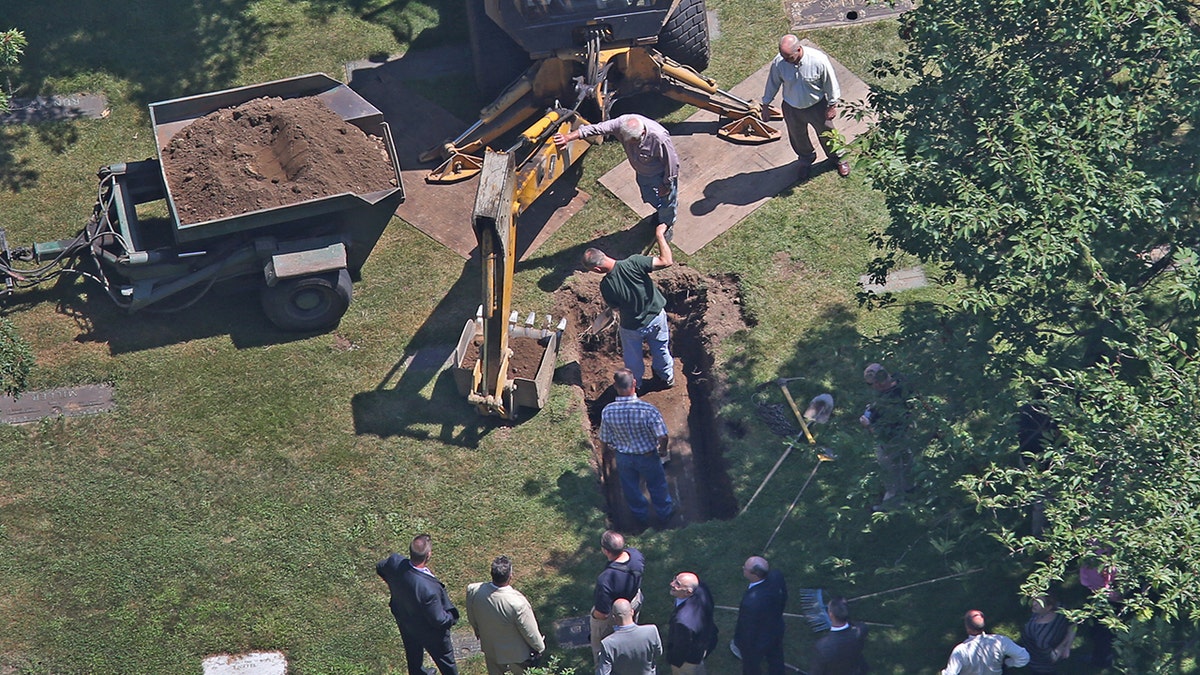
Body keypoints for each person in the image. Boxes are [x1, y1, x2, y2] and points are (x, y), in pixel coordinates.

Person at [553, 114, 679, 237]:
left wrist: (667, 185)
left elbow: (672, 164)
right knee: (648, 196)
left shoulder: (659, 138)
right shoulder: (620, 124)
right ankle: (663, 212)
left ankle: (667, 224)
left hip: (660, 175)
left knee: (667, 200)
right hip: (642, 173)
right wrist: (568, 137)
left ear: (643, 133)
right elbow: (596, 129)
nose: (632, 145)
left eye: (635, 141)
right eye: (628, 141)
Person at [582, 225, 675, 390]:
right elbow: (666, 261)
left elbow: (616, 308)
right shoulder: (635, 262)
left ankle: (635, 385)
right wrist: (659, 234)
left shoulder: (607, 285)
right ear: (604, 256)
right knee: (661, 349)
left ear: (597, 269)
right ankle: (666, 378)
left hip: (632, 328)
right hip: (656, 318)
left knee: (633, 360)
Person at [760, 34, 849, 180]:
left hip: (817, 107)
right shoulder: (779, 62)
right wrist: (765, 104)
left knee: (827, 133)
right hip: (791, 108)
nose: (786, 61)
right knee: (797, 136)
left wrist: (832, 104)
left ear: (799, 50)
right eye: (783, 56)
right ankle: (805, 160)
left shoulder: (818, 60)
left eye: (789, 57)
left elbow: (830, 83)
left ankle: (838, 158)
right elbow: (772, 83)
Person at [599, 368, 676, 527]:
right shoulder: (648, 410)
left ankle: (640, 516)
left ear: (615, 386)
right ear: (634, 383)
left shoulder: (608, 411)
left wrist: (605, 453)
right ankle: (665, 513)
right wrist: (662, 451)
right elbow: (662, 436)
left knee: (630, 487)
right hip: (647, 456)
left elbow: (604, 438)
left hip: (624, 457)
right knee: (657, 485)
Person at [377, 534, 461, 675]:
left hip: (406, 621)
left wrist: (393, 583)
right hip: (431, 633)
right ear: (428, 555)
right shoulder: (428, 590)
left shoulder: (394, 562)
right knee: (447, 662)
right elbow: (439, 620)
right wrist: (452, 617)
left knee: (413, 653)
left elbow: (380, 567)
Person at [465, 556, 546, 675]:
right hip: (516, 653)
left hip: (490, 645)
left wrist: (477, 629)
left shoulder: (474, 590)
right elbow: (529, 631)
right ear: (510, 576)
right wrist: (540, 647)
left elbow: (471, 614)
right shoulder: (518, 604)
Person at [858, 363, 913, 511]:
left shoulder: (887, 405)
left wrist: (868, 425)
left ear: (878, 383)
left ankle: (891, 504)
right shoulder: (901, 382)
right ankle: (910, 488)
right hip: (907, 432)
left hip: (890, 440)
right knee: (907, 460)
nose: (873, 387)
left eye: (873, 384)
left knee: (890, 471)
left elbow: (879, 433)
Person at [590, 531, 648, 664]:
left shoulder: (606, 579)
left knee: (602, 649)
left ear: (605, 550)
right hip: (634, 602)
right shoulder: (636, 556)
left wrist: (593, 615)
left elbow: (603, 614)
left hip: (614, 613)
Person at [734, 556, 787, 675]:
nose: (743, 568)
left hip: (757, 641)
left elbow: (747, 628)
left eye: (745, 568)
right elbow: (783, 598)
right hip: (776, 628)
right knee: (776, 656)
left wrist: (741, 643)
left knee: (751, 665)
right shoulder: (777, 576)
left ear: (754, 575)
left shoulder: (750, 603)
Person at [940, 609, 1030, 675]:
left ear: (967, 628)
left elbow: (950, 674)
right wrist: (1008, 663)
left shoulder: (960, 650)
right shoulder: (1000, 641)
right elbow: (1024, 657)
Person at [667, 572, 718, 674]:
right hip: (705, 638)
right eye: (675, 579)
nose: (672, 584)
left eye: (678, 584)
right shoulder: (701, 588)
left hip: (689, 659)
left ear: (688, 592)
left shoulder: (682, 622)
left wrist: (674, 661)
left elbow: (681, 647)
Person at [597, 598, 663, 675]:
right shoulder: (651, 631)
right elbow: (658, 653)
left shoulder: (607, 644)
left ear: (614, 617)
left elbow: (603, 673)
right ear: (632, 612)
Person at [809, 596, 869, 675]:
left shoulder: (822, 646)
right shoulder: (860, 632)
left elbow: (817, 672)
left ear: (831, 615)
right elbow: (861, 625)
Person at [1019, 594, 1076, 674]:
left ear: (1048, 607)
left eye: (1039, 603)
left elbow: (1052, 658)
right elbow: (1073, 624)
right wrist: (1067, 645)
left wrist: (1066, 646)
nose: (1034, 604)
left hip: (1040, 666)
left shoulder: (1041, 636)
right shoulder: (1061, 609)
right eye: (1035, 600)